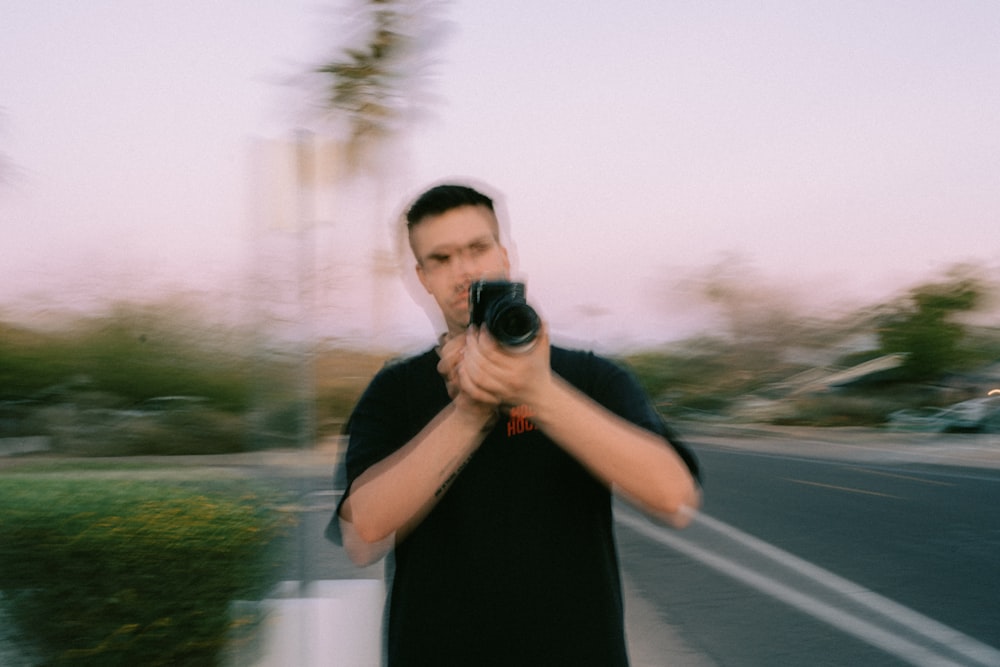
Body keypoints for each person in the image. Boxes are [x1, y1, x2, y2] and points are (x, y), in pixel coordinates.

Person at [330, 183, 702, 666]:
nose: (463, 270)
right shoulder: (395, 389)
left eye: (477, 248)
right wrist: (469, 413)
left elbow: (675, 499)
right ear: (421, 277)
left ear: (505, 255)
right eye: (440, 258)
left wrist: (538, 392)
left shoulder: (589, 376)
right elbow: (363, 537)